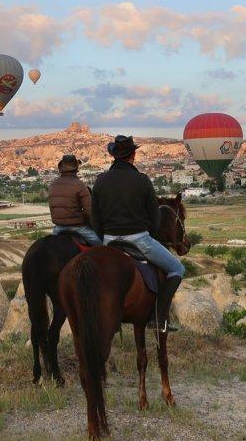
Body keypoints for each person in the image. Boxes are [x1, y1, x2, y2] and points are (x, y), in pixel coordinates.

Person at [92, 135, 185, 332]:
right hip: (138, 239)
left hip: (108, 240)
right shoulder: (142, 180)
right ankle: (158, 318)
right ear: (133, 155)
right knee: (177, 269)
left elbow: (95, 218)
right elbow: (155, 217)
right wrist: (148, 235)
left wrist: (104, 239)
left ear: (113, 156)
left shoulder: (100, 181)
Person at [48, 154, 101, 246]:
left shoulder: (52, 185)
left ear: (61, 169)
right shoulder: (80, 185)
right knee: (103, 245)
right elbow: (90, 211)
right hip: (77, 228)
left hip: (58, 228)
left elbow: (52, 208)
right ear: (76, 169)